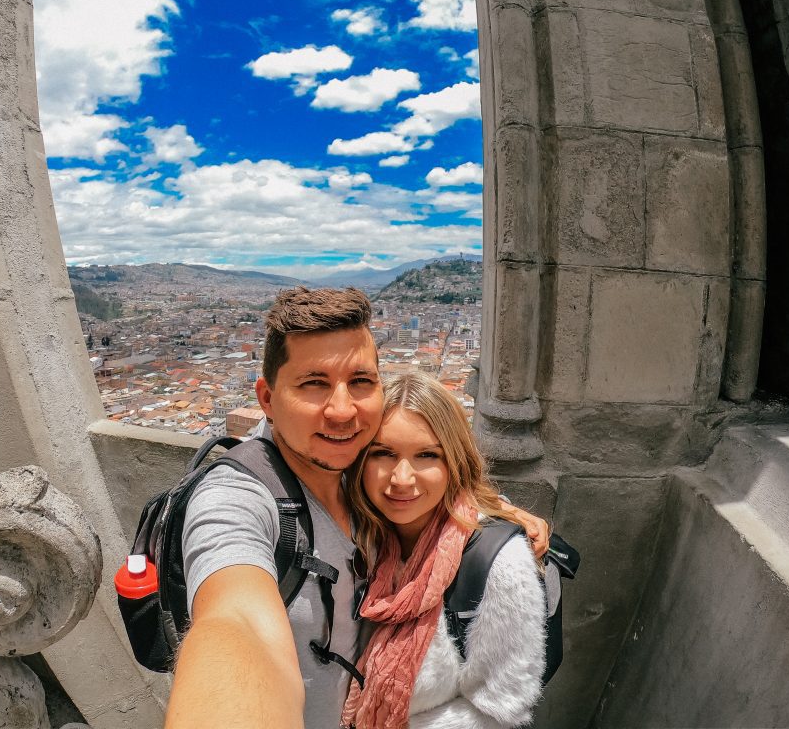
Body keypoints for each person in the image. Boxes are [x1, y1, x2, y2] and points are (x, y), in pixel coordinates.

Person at [164, 287, 549, 729]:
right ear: (267, 399)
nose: (343, 412)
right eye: (313, 384)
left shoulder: (351, 467)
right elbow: (236, 623)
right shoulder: (236, 499)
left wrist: (495, 514)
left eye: (361, 382)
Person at [342, 372, 546, 729]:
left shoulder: (501, 564)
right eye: (384, 453)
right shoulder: (362, 537)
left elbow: (499, 713)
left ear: (453, 461)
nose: (402, 478)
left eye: (426, 455)